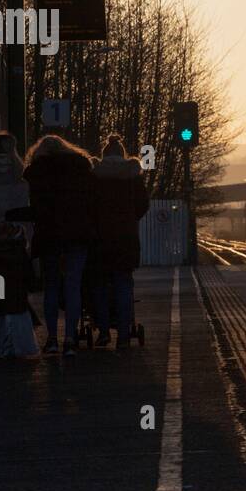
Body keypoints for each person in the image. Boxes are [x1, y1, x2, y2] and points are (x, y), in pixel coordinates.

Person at [23, 134, 97, 357]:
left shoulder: (34, 172)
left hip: (49, 235)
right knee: (73, 286)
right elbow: (92, 199)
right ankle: (70, 339)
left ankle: (52, 338)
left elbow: (31, 204)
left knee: (52, 287)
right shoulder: (81, 166)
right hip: (77, 233)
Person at [90, 135, 151, 351]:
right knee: (124, 284)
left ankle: (103, 331)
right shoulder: (133, 176)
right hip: (126, 238)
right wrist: (129, 218)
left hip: (100, 238)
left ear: (104, 154)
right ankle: (124, 334)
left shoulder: (95, 176)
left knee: (99, 285)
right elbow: (143, 205)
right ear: (123, 154)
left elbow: (88, 206)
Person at [0, 221, 39, 359]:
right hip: (17, 298)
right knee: (17, 322)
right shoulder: (20, 253)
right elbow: (29, 277)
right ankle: (16, 348)